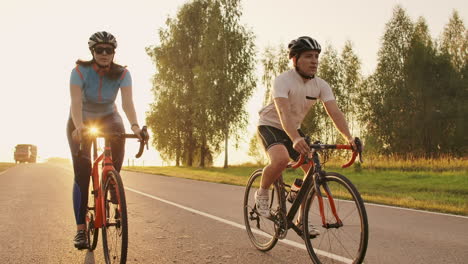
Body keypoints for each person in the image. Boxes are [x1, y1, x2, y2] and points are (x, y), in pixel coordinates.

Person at [256, 36, 358, 233]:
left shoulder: (321, 85)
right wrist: (295, 138)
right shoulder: (282, 80)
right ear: (295, 60)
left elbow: (335, 112)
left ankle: (300, 218)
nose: (314, 61)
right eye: (308, 56)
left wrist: (349, 137)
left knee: (312, 169)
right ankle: (262, 193)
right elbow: (283, 112)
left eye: (317, 57)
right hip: (271, 124)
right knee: (280, 159)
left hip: (293, 128)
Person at [67, 31, 142, 249]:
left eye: (109, 50)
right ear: (93, 52)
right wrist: (80, 127)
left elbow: (127, 103)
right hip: (81, 118)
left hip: (110, 118)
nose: (104, 54)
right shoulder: (79, 71)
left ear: (113, 53)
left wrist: (135, 126)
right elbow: (75, 102)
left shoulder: (122, 73)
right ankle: (81, 230)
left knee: (119, 141)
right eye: (100, 50)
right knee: (82, 171)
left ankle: (111, 182)